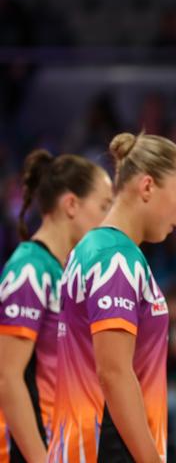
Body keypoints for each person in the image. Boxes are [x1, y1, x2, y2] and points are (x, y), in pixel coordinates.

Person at [47, 132, 176, 463]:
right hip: (107, 449)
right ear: (147, 187)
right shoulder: (114, 258)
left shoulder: (97, 249)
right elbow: (113, 374)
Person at [0, 150, 112, 463]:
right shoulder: (29, 270)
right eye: (104, 206)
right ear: (71, 205)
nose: (108, 219)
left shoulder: (65, 271)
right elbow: (7, 377)